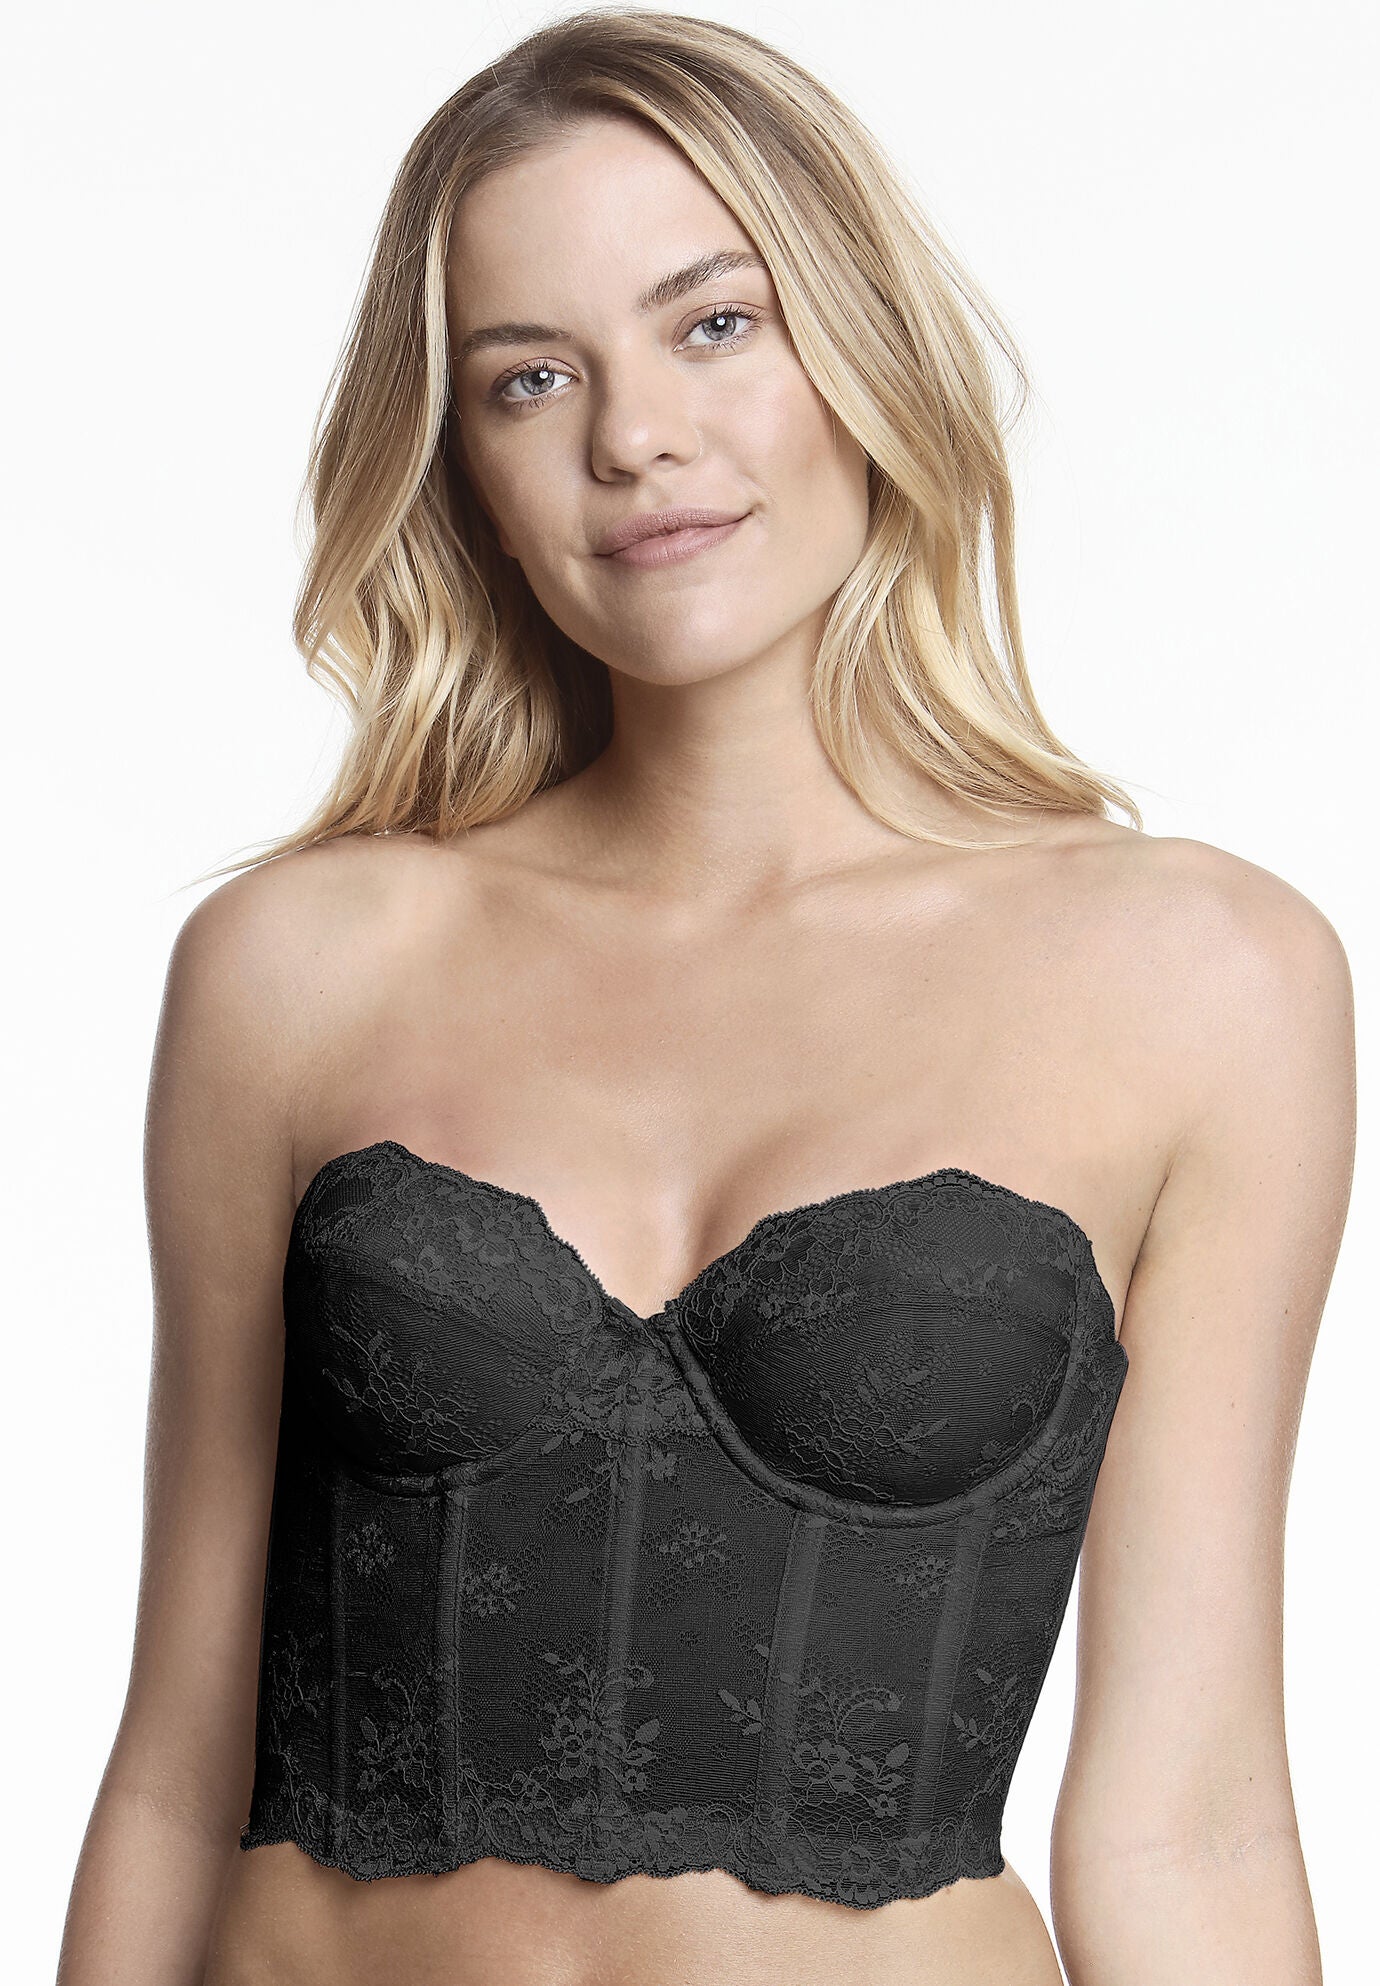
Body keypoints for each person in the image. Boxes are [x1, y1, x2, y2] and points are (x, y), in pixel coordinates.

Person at [56, 10, 1354, 1985]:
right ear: (464, 466)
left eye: (716, 324)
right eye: (530, 376)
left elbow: (1193, 1818)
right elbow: (174, 1766)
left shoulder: (1203, 978)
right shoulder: (297, 966)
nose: (634, 436)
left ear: (864, 346)